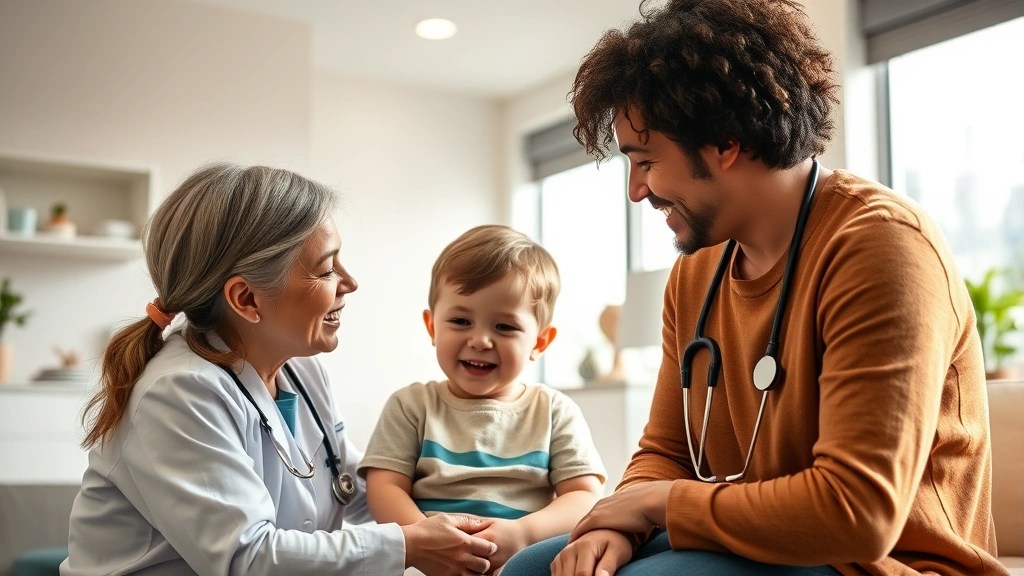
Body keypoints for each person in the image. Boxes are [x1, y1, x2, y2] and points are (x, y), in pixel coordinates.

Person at [503, 1, 1006, 575]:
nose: (636, 191)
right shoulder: (697, 271)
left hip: (879, 563)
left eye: (644, 160)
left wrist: (659, 504)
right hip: (753, 542)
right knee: (529, 570)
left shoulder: (882, 248)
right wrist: (621, 523)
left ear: (724, 142)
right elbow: (666, 450)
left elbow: (858, 514)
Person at [61, 164, 501, 576]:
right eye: (328, 267)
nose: (349, 283)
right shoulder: (178, 392)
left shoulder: (301, 374)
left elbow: (356, 487)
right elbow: (248, 557)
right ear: (247, 300)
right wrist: (408, 545)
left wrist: (480, 522)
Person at [358, 225, 607, 573]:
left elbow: (584, 497)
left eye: (504, 327)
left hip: (525, 563)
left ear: (540, 342)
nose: (480, 340)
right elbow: (384, 488)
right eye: (461, 321)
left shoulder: (553, 411)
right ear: (432, 328)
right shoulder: (411, 405)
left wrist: (523, 533)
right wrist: (427, 542)